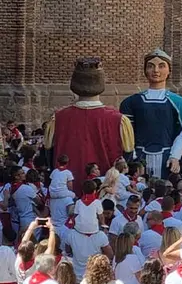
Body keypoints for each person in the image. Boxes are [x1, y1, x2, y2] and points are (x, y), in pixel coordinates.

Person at [43, 58, 135, 195]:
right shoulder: (119, 120)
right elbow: (127, 155)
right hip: (105, 192)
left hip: (66, 192)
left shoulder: (57, 118)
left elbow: (48, 155)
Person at [120, 49, 182, 178]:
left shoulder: (180, 103)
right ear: (145, 70)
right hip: (139, 157)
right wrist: (133, 157)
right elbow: (127, 133)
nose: (156, 70)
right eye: (151, 66)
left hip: (167, 158)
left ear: (169, 71)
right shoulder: (131, 102)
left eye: (161, 66)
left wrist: (175, 156)